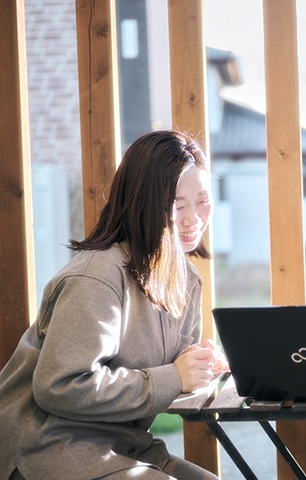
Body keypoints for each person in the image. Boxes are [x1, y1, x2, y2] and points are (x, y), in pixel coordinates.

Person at [0, 130, 228, 480]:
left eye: (202, 200)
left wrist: (198, 371)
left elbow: (170, 380)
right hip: (48, 448)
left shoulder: (186, 279)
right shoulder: (97, 276)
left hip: (126, 446)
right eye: (176, 204)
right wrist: (173, 377)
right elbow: (59, 387)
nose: (192, 218)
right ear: (142, 202)